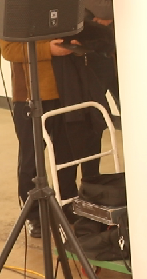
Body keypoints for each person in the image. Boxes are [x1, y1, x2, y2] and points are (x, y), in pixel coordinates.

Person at [0, 38, 103, 237]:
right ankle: (34, 215)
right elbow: (9, 50)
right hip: (29, 97)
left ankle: (67, 203)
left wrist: (73, 44)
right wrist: (47, 49)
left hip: (65, 92)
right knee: (31, 158)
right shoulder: (13, 18)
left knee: (66, 153)